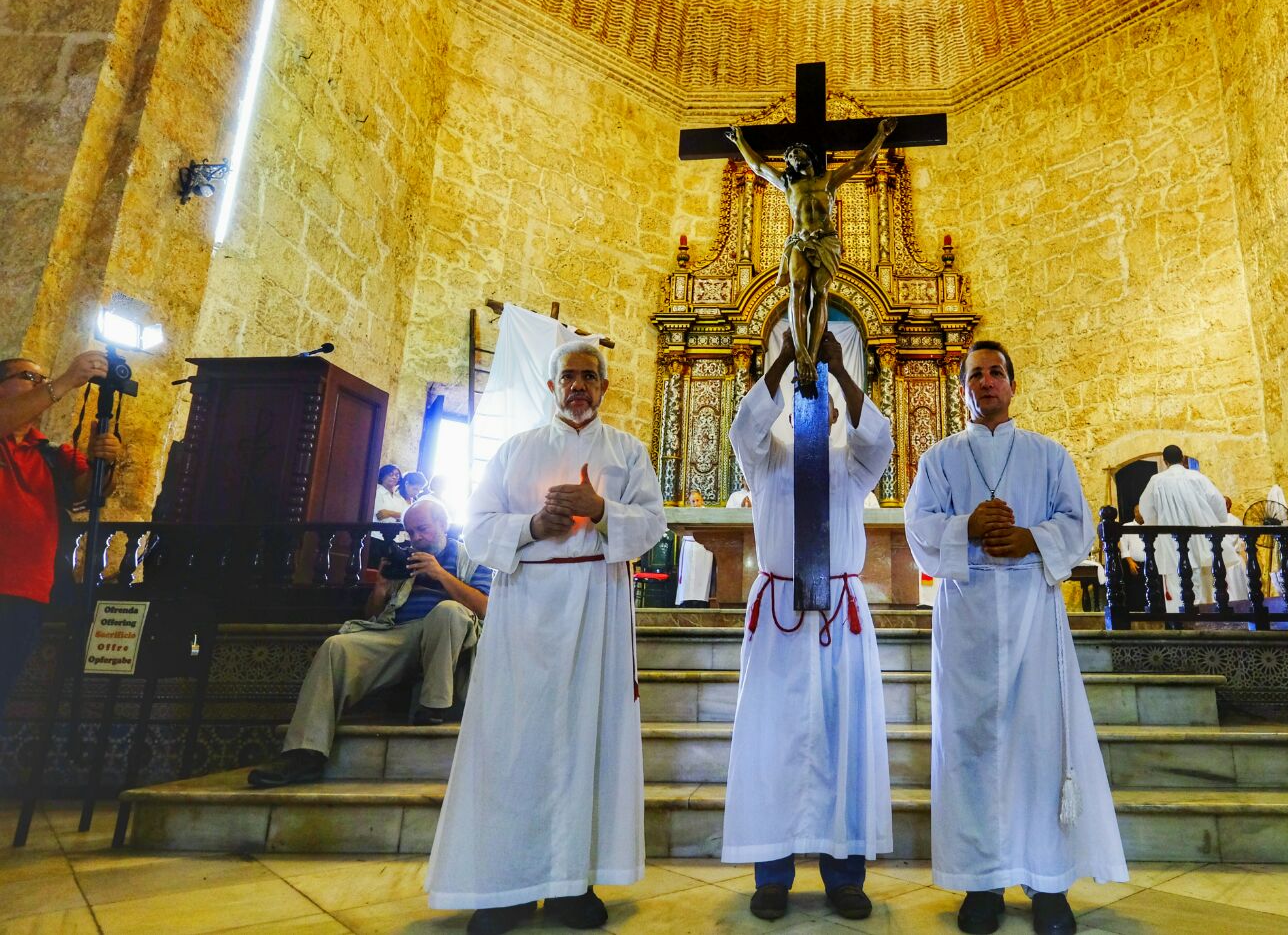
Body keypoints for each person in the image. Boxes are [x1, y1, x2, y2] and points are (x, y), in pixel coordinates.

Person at [427, 341, 667, 934]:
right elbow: (477, 529)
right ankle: (505, 886)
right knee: (515, 743)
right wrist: (532, 526)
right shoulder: (514, 451)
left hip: (596, 612)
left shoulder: (628, 452)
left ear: (605, 387)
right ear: (552, 386)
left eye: (589, 376)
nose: (578, 386)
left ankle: (570, 884)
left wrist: (601, 509)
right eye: (568, 377)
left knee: (586, 740)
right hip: (524, 615)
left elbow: (654, 524)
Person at [905, 341, 1126, 935]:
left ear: (1013, 384)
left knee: (1039, 744)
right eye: (974, 375)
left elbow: (1077, 524)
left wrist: (1032, 539)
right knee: (971, 749)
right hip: (968, 618)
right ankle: (982, 883)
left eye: (995, 372)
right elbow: (918, 528)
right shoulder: (939, 458)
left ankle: (1048, 882)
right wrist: (966, 527)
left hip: (1033, 614)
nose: (986, 382)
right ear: (961, 390)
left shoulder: (1047, 455)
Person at [723, 331, 896, 921]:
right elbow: (743, 428)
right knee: (772, 743)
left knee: (841, 739)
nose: (812, 405)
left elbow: (881, 439)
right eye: (805, 397)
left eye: (821, 398)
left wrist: (840, 373)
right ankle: (771, 872)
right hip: (778, 619)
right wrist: (785, 365)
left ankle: (844, 874)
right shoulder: (765, 458)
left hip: (838, 621)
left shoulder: (852, 466)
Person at [248, 498, 493, 787]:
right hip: (396, 632)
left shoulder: (472, 557)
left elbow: (485, 608)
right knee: (335, 648)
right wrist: (380, 588)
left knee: (448, 612)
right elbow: (373, 615)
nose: (416, 538)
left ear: (443, 524)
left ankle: (433, 706)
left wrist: (440, 574)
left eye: (423, 529)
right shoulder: (406, 560)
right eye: (411, 532)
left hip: (445, 636)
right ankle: (305, 752)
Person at [727, 117, 896, 388]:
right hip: (798, 240)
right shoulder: (788, 184)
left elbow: (860, 163)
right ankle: (801, 353)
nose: (793, 157)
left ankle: (813, 353)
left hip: (826, 241)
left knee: (820, 293)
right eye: (789, 155)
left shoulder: (828, 180)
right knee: (796, 287)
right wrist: (740, 141)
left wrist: (881, 136)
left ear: (809, 155)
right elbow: (759, 167)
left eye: (798, 152)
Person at [0, 351, 120, 718]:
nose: (39, 384)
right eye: (28, 377)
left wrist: (107, 459)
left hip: (26, 593)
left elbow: (91, 492)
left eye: (42, 377)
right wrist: (66, 380)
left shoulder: (50, 454)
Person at [1137, 445, 1231, 606]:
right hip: (1200, 538)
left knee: (1177, 582)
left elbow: (1146, 508)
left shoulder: (1156, 480)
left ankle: (1181, 623)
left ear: (1165, 461)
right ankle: (1209, 623)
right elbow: (1217, 502)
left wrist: (1155, 525)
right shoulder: (1197, 477)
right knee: (1205, 582)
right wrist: (1218, 519)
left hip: (1171, 540)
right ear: (1182, 458)